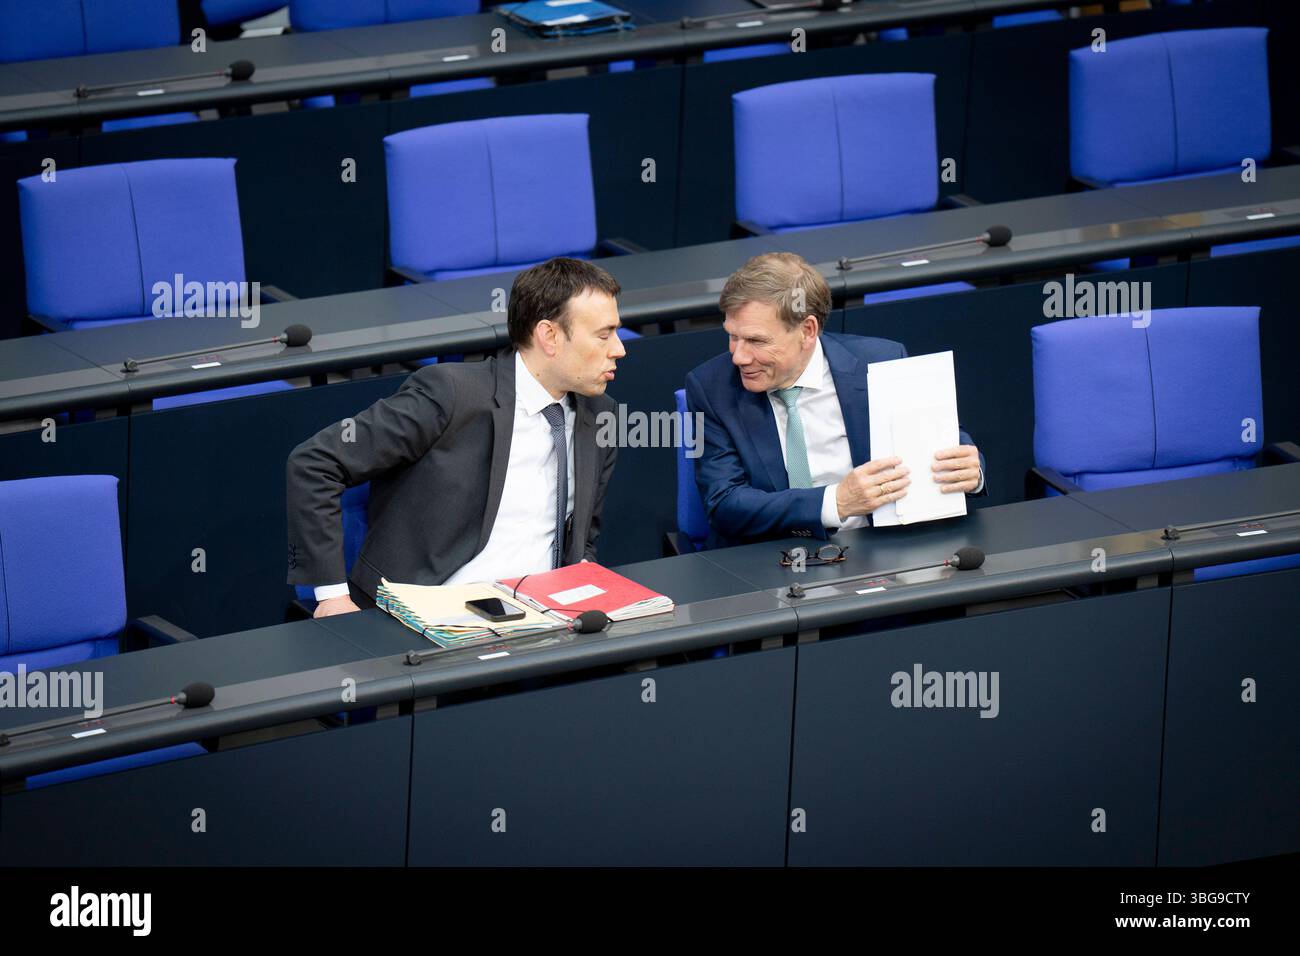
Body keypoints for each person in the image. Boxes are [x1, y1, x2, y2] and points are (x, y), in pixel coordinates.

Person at [287, 257, 626, 616]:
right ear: (549, 336)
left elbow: (584, 538)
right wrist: (332, 596)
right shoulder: (450, 394)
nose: (619, 348)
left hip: (541, 618)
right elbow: (314, 464)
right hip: (428, 616)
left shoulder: (600, 415)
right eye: (604, 335)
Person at [685, 252, 985, 547]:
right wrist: (835, 502)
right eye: (733, 336)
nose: (738, 356)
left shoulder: (881, 363)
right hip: (767, 557)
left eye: (756, 340)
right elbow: (725, 503)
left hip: (875, 546)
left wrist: (972, 471)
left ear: (807, 330)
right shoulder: (712, 388)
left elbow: (944, 445)